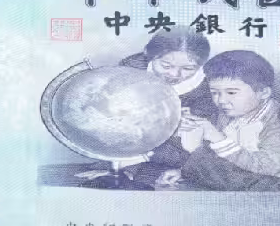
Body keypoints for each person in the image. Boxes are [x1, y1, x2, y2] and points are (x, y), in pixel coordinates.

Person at [76, 27, 214, 183]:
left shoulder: (207, 87)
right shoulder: (131, 67)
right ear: (150, 55)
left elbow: (196, 141)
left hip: (174, 154)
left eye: (188, 68)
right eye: (166, 66)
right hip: (132, 140)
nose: (175, 74)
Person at [169, 50, 280, 178]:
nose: (221, 100)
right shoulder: (227, 113)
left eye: (231, 93)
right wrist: (186, 171)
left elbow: (267, 168)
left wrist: (218, 138)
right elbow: (216, 160)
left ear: (263, 93)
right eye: (215, 93)